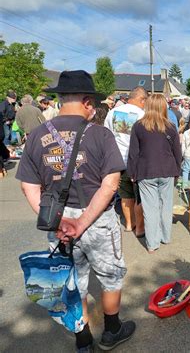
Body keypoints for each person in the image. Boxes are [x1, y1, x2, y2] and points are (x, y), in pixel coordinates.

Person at [15, 70, 135, 352]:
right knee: (111, 276)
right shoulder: (101, 135)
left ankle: (83, 341)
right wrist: (82, 221)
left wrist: (56, 221)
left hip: (59, 221)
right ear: (87, 102)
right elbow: (110, 184)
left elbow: (28, 187)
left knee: (72, 281)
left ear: (60, 99)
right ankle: (112, 330)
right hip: (98, 218)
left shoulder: (37, 136)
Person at [128, 94, 182, 253]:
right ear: (164, 106)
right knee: (166, 206)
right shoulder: (171, 127)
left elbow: (133, 153)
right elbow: (177, 152)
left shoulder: (138, 126)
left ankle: (152, 244)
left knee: (150, 209)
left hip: (146, 171)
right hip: (167, 170)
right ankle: (166, 237)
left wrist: (132, 172)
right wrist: (177, 170)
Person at [104, 86, 147, 236]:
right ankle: (140, 228)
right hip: (136, 160)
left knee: (125, 195)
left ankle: (129, 224)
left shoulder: (112, 113)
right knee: (139, 195)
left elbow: (107, 135)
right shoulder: (142, 114)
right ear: (142, 99)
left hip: (117, 160)